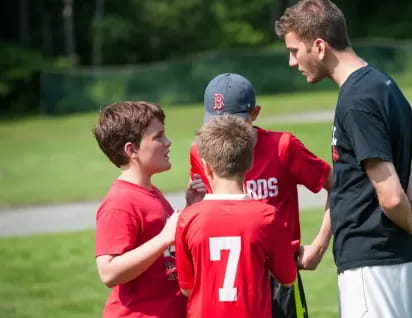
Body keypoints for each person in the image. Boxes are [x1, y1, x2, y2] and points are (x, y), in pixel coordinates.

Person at [275, 0, 412, 317]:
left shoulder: (357, 100)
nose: (292, 62)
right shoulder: (383, 85)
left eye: (295, 51)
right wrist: (320, 245)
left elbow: (390, 196)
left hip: (372, 261)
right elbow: (354, 179)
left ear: (319, 47)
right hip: (389, 259)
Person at [189, 72, 333, 318]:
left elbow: (337, 185)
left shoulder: (282, 147)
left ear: (254, 114)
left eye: (233, 123)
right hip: (228, 279)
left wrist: (319, 246)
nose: (223, 132)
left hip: (279, 278)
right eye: (215, 122)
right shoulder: (201, 152)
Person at [175, 115, 297, 318]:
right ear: (249, 164)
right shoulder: (266, 216)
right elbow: (287, 278)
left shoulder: (188, 219)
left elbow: (188, 288)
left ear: (206, 166)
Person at [93, 101, 206, 318]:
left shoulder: (149, 191)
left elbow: (165, 251)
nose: (168, 142)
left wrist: (189, 209)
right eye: (158, 136)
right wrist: (165, 237)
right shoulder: (120, 202)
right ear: (131, 149)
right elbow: (108, 272)